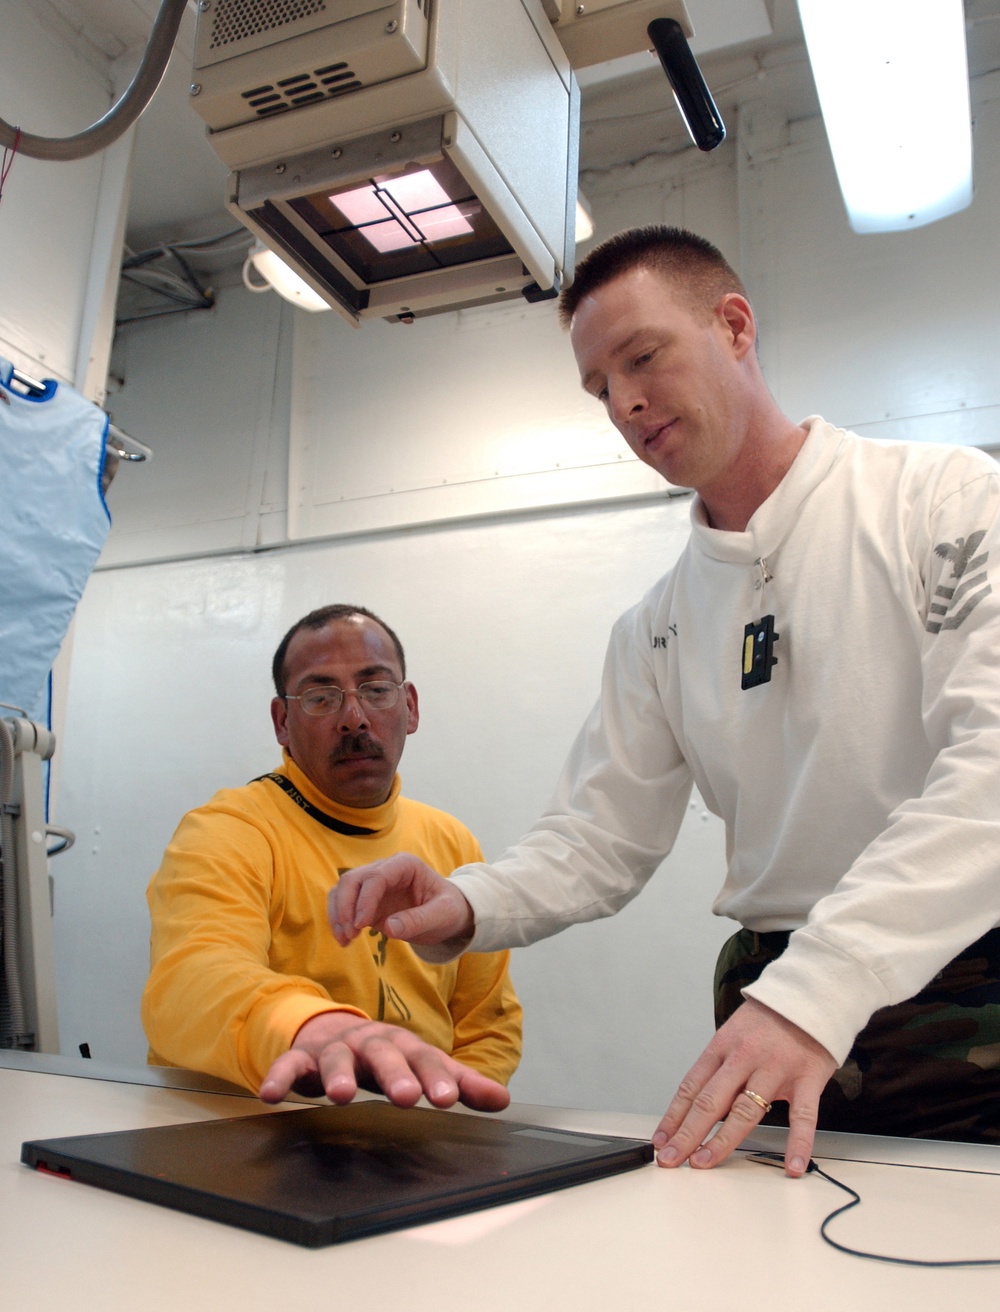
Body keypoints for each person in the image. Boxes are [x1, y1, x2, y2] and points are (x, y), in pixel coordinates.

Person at [329, 227, 1000, 1175]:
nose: (628, 402)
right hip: (770, 998)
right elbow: (599, 841)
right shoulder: (655, 629)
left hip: (964, 978)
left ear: (734, 326)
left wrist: (826, 981)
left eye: (643, 357)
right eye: (601, 388)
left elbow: (992, 773)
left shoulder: (944, 503)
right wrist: (467, 901)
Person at [142, 603, 521, 1112]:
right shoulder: (229, 830)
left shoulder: (450, 840)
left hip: (418, 1134)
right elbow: (192, 977)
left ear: (410, 707)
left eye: (376, 690)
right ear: (282, 721)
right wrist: (308, 1023)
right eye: (321, 697)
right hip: (258, 1132)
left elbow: (486, 1021)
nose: (354, 718)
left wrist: (442, 1117)